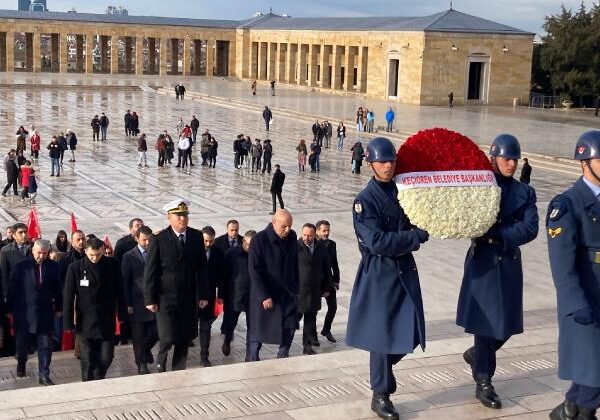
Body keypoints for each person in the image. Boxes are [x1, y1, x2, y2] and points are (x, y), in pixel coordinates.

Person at [346, 137, 429, 420]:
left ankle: (383, 370)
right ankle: (380, 394)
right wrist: (413, 237)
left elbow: (418, 216)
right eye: (382, 162)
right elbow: (377, 242)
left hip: (403, 270)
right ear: (370, 164)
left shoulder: (403, 191)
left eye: (391, 161)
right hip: (380, 273)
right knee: (381, 337)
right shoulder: (365, 201)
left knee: (413, 331)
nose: (388, 166)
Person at [457, 134, 538, 410]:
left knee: (509, 324)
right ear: (493, 159)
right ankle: (484, 381)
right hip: (484, 261)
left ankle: (477, 354)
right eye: (506, 159)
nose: (512, 164)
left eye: (515, 159)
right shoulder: (479, 187)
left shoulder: (524, 192)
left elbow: (530, 228)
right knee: (485, 323)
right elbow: (466, 219)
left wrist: (500, 234)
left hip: (508, 260)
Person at [547, 130, 600, 420]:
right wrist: (575, 304)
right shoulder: (566, 204)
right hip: (585, 304)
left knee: (591, 378)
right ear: (585, 163)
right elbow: (562, 265)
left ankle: (569, 409)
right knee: (593, 377)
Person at [143, 199, 209, 372]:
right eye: (178, 216)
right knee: (167, 333)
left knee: (184, 334)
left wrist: (203, 295)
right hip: (165, 296)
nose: (182, 219)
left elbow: (202, 268)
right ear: (169, 217)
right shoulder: (158, 239)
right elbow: (151, 271)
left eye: (185, 215)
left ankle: (179, 368)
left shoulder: (195, 237)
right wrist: (149, 298)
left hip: (187, 295)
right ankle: (161, 360)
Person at [63, 238, 120, 381]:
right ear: (85, 251)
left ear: (103, 250)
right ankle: (87, 384)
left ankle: (98, 377)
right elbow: (69, 297)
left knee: (107, 357)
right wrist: (68, 323)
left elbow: (121, 291)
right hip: (85, 322)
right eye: (91, 255)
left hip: (106, 319)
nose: (95, 258)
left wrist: (123, 313)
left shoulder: (112, 265)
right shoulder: (75, 268)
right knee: (87, 359)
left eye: (98, 255)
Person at [7, 239, 62, 385]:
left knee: (45, 345)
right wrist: (9, 310)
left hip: (45, 313)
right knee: (22, 347)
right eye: (39, 253)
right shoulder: (20, 267)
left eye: (45, 253)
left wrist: (59, 308)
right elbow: (12, 289)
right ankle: (21, 363)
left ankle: (44, 374)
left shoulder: (53, 267)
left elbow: (58, 289)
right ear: (33, 251)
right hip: (24, 314)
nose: (42, 256)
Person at [247, 209, 299, 361]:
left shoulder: (292, 237)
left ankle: (282, 357)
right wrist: (264, 295)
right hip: (267, 294)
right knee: (259, 331)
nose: (288, 229)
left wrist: (297, 289)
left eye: (290, 226)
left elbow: (295, 263)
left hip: (288, 293)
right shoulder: (259, 240)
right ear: (274, 223)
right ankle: (253, 359)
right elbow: (254, 270)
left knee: (289, 327)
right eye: (284, 226)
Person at [121, 225, 157, 375]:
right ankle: (141, 364)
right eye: (144, 240)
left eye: (149, 239)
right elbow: (125, 281)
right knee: (138, 337)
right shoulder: (128, 256)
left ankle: (146, 349)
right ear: (136, 239)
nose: (147, 243)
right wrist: (128, 303)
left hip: (154, 301)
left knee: (157, 332)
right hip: (137, 302)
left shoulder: (155, 253)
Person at [297, 223, 331, 355]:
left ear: (314, 235)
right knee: (293, 319)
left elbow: (326, 268)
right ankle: (285, 344)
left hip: (314, 291)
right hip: (299, 292)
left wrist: (326, 287)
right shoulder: (295, 247)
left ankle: (307, 346)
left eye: (309, 235)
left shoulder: (321, 247)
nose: (306, 238)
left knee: (310, 321)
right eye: (304, 235)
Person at [220, 229, 255, 358]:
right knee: (230, 323)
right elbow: (223, 276)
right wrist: (221, 295)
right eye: (248, 244)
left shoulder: (259, 254)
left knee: (253, 327)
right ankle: (227, 340)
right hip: (234, 296)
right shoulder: (231, 254)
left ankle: (250, 354)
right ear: (243, 241)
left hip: (252, 297)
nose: (250, 247)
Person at [198, 226, 225, 367]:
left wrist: (220, 294)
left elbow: (221, 276)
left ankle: (204, 356)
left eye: (211, 241)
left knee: (205, 327)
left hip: (208, 295)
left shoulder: (218, 253)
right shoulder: (193, 251)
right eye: (206, 241)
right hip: (193, 295)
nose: (208, 244)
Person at [316, 220, 340, 343]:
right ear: (317, 231)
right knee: (312, 310)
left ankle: (326, 329)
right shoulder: (313, 244)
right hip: (316, 282)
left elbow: (334, 263)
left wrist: (336, 279)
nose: (326, 233)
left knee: (333, 307)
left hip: (328, 280)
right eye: (323, 231)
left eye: (328, 230)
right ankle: (310, 335)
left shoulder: (332, 244)